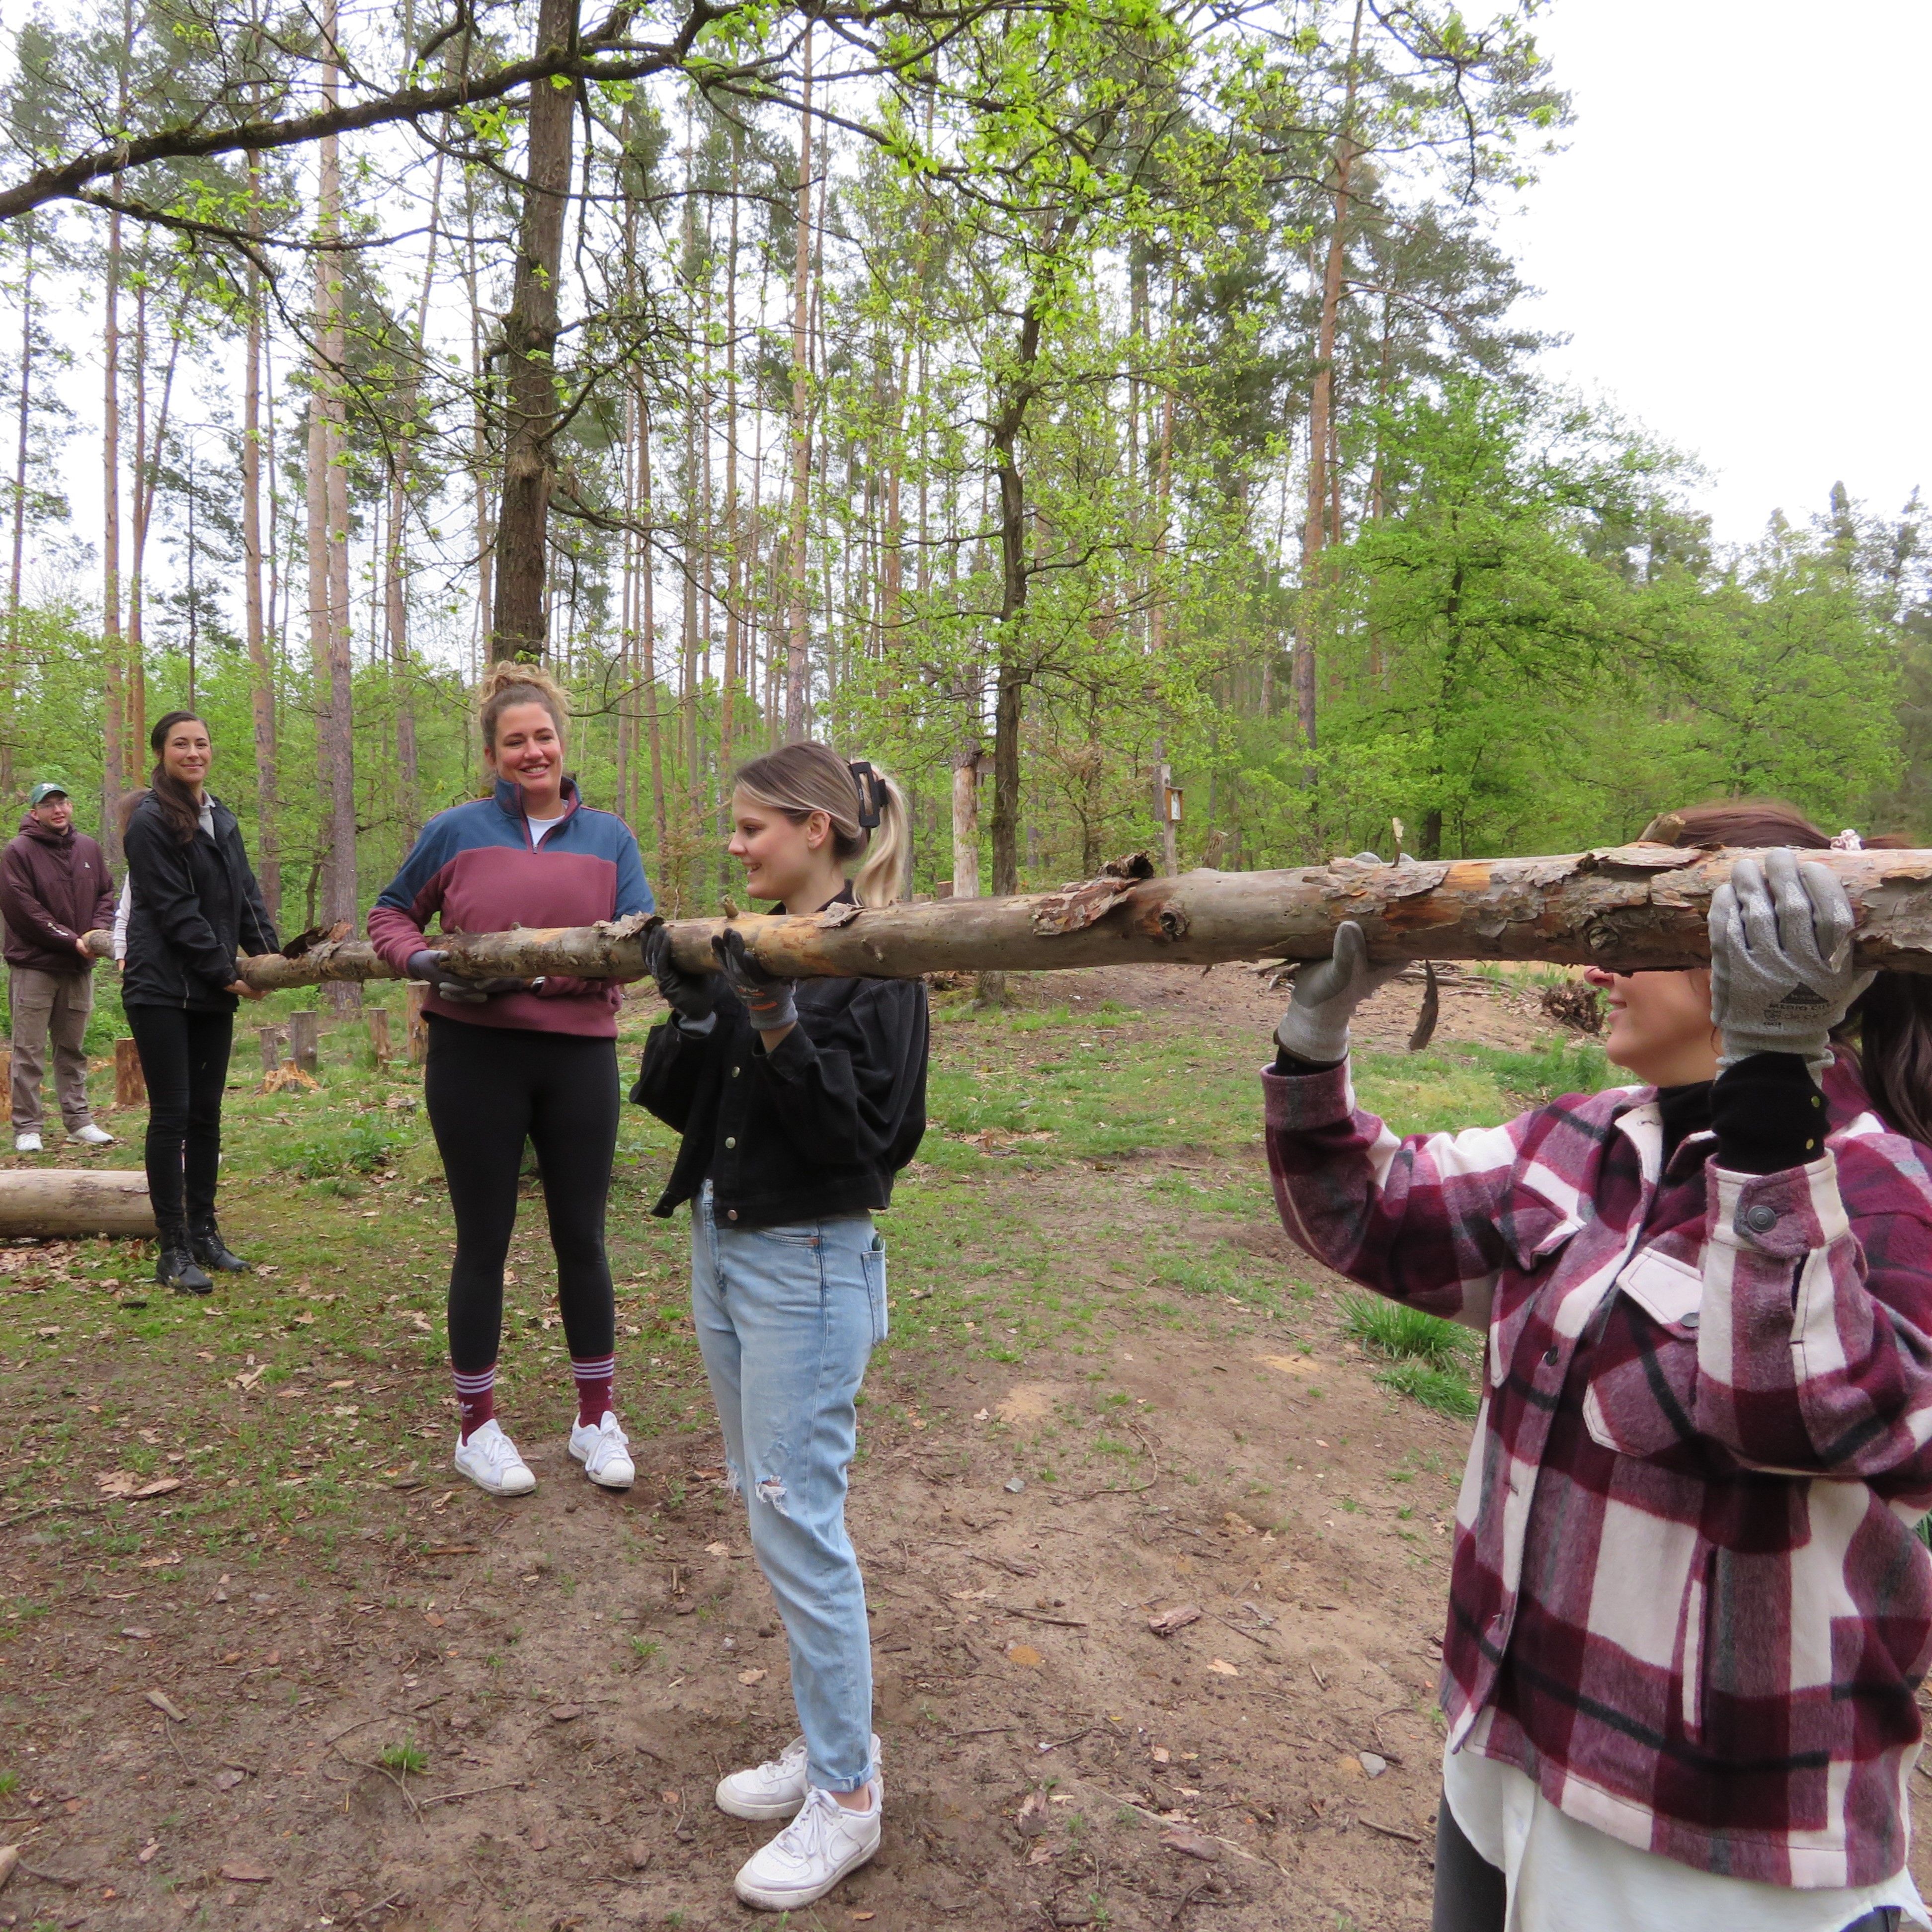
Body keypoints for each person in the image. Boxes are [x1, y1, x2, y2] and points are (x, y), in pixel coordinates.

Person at [1264, 800, 1932, 1932]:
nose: (1593, 961)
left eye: (1634, 929)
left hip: (1714, 1859)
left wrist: (1773, 1102)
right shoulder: (1578, 1140)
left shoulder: (1885, 1191)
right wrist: (1313, 1043)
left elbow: (1792, 1414)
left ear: (1761, 947)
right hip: (1501, 1768)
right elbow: (1372, 1217)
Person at [632, 743, 928, 1915]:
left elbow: (873, 1142)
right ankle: (827, 1736)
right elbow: (673, 1107)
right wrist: (697, 1010)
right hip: (727, 1237)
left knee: (797, 1517)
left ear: (816, 828)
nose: (737, 847)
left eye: (753, 828)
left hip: (808, 1261)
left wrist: (777, 1020)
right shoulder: (753, 942)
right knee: (771, 1505)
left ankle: (848, 1795)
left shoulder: (878, 963)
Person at [367, 661, 654, 1501]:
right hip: (474, 1057)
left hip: (577, 1058)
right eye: (515, 741)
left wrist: (563, 972)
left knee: (584, 1237)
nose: (533, 752)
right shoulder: (454, 831)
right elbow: (391, 910)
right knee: (482, 1240)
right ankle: (476, 1428)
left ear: (563, 744)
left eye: (544, 737)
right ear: (493, 755)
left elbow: (640, 940)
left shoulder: (609, 837)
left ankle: (594, 1416)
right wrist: (421, 959)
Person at [122, 713, 278, 1295]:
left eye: (201, 743)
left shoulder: (222, 818)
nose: (193, 752)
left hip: (210, 991)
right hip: (160, 987)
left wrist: (269, 963)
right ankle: (173, 1248)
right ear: (161, 752)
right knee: (172, 1115)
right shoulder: (148, 822)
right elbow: (174, 910)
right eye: (181, 744)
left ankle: (205, 1232)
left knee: (206, 1115)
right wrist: (226, 973)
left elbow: (245, 898)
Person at [0, 781, 117, 1152]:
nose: (58, 810)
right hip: (34, 965)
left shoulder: (89, 849)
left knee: (73, 1049)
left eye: (62, 802)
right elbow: (24, 910)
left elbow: (105, 893)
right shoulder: (18, 852)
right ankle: (27, 1127)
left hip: (78, 967)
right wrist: (71, 940)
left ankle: (78, 1121)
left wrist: (97, 934)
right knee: (29, 1050)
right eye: (48, 805)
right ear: (34, 813)